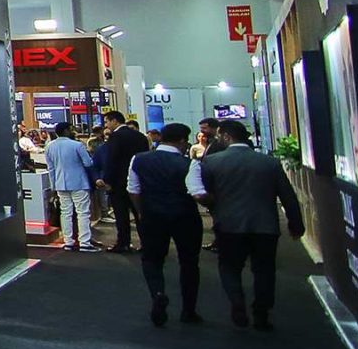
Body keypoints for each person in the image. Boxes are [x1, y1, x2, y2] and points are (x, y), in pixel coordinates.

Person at [196, 118, 304, 330]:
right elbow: (288, 196)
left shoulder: (211, 162)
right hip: (265, 225)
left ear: (226, 136)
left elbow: (206, 195)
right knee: (264, 270)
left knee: (229, 267)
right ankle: (261, 313)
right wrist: (296, 224)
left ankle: (237, 301)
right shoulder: (269, 162)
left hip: (228, 225)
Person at [128, 122, 201, 327]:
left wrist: (141, 211)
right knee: (189, 262)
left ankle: (158, 293)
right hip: (185, 216)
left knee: (152, 259)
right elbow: (197, 192)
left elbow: (133, 189)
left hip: (152, 215)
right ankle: (189, 310)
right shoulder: (189, 164)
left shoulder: (139, 159)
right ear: (182, 141)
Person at [96, 117, 150, 253]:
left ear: (115, 121)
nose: (106, 125)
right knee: (139, 213)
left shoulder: (115, 137)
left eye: (107, 122)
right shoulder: (140, 136)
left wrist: (107, 180)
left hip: (118, 182)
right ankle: (147, 243)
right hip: (138, 180)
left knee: (121, 215)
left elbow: (111, 160)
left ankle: (123, 243)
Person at [43, 121, 94, 251]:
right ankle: (85, 242)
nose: (73, 131)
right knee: (82, 212)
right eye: (71, 129)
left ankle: (68, 241)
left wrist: (53, 185)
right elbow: (88, 163)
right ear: (66, 131)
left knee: (65, 212)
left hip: (60, 183)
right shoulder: (77, 145)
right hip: (79, 182)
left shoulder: (49, 146)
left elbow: (51, 168)